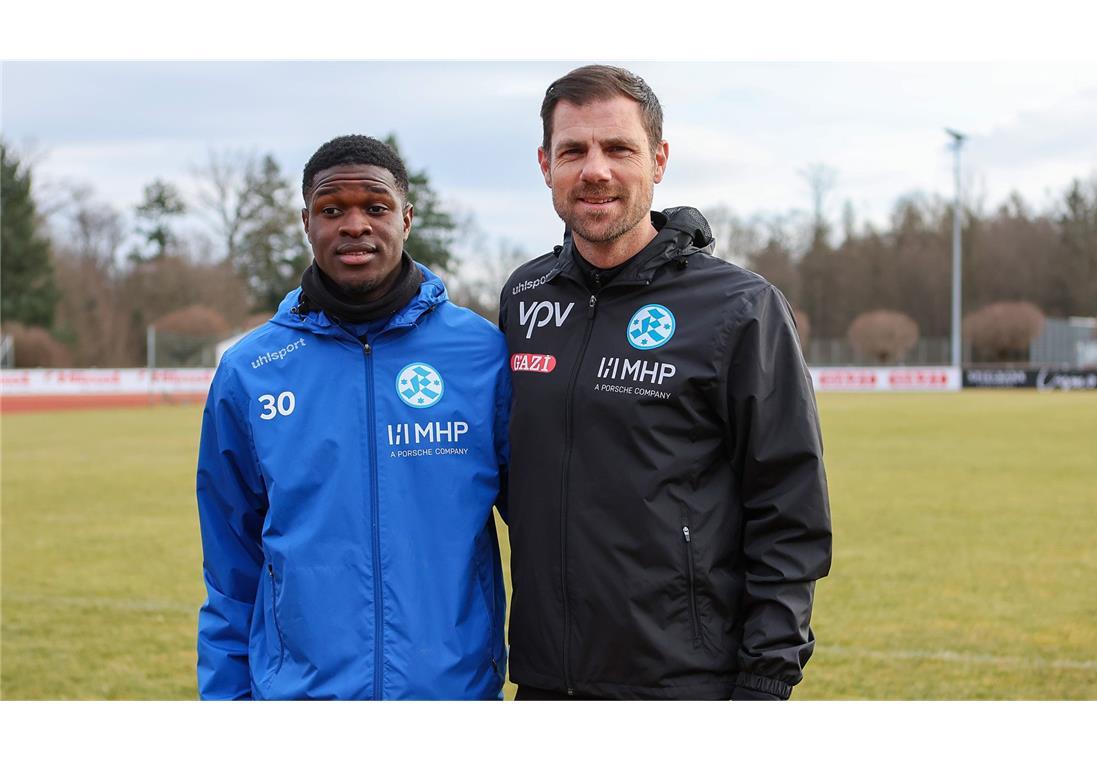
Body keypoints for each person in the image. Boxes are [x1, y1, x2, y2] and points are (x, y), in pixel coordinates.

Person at [498, 65, 832, 700]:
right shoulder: (525, 297)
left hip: (684, 683)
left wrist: (765, 679)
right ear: (546, 164)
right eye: (573, 150)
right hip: (545, 681)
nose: (595, 170)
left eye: (618, 148)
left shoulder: (741, 307)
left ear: (659, 159)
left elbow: (789, 509)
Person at [196, 134, 510, 700]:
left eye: (376, 206)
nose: (355, 224)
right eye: (332, 209)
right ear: (306, 221)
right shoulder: (250, 372)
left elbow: (544, 530)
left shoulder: (481, 355)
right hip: (302, 699)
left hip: (452, 695)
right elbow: (229, 566)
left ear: (407, 219)